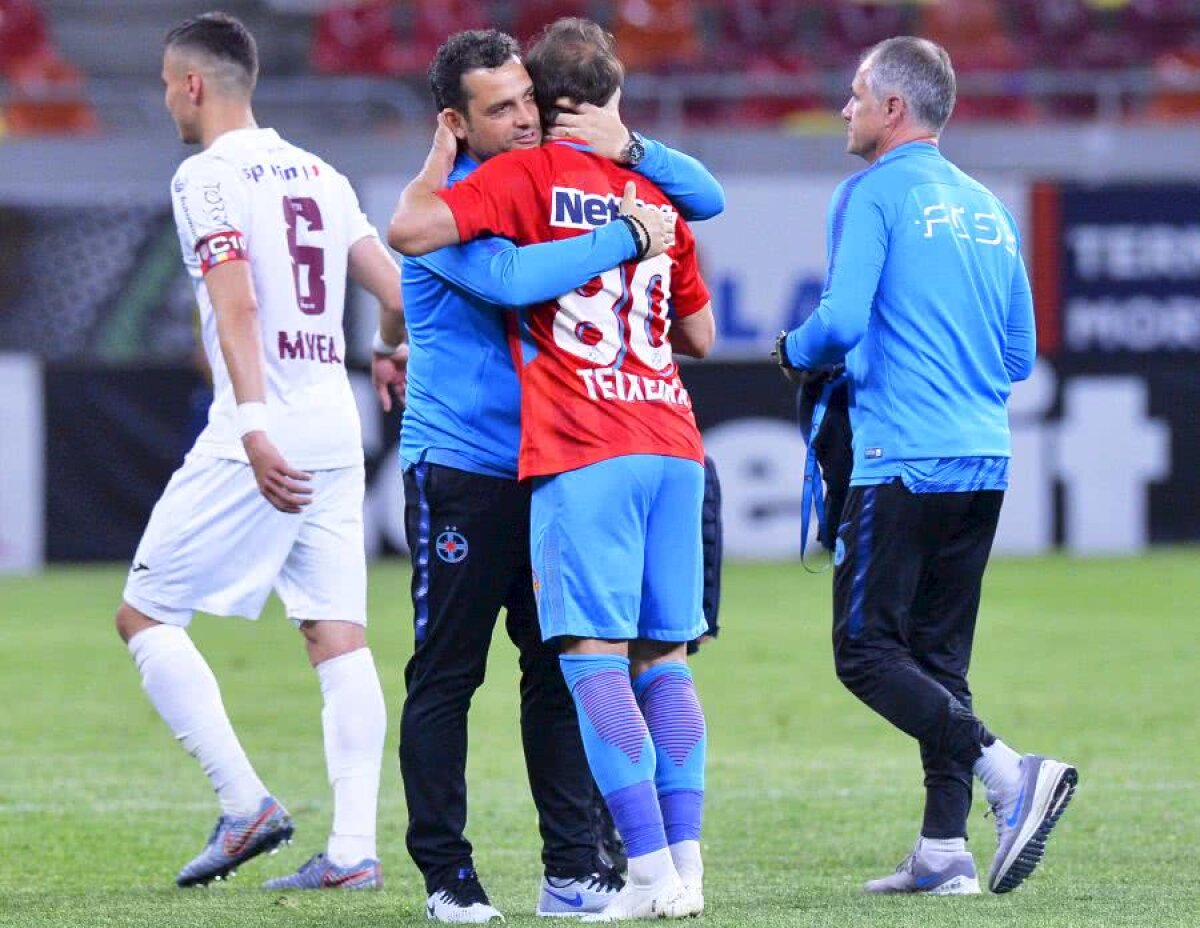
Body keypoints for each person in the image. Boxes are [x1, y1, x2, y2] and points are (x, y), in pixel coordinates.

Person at [376, 27, 724, 922]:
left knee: (562, 673)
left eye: (529, 99)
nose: (526, 118)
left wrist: (388, 342)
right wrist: (627, 234)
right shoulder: (464, 200)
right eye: (501, 108)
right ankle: (448, 876)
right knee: (448, 676)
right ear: (455, 123)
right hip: (461, 471)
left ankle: (575, 868)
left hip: (556, 468)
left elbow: (700, 196)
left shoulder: (534, 186)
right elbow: (513, 278)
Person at [775, 36, 1077, 895]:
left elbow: (836, 324)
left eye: (856, 94)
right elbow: (1019, 355)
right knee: (938, 658)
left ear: (893, 109)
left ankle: (1009, 771)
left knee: (866, 651)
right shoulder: (989, 205)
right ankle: (945, 849)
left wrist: (791, 351)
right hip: (984, 456)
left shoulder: (870, 193)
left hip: (901, 456)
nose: (845, 108)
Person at [115, 12, 403, 891]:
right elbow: (394, 284)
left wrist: (246, 420)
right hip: (335, 416)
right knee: (337, 633)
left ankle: (246, 807)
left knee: (145, 612)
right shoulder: (320, 172)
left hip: (266, 424)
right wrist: (390, 346)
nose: (168, 97)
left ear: (193, 84)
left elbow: (234, 304)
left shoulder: (205, 176)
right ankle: (353, 852)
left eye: (169, 83)